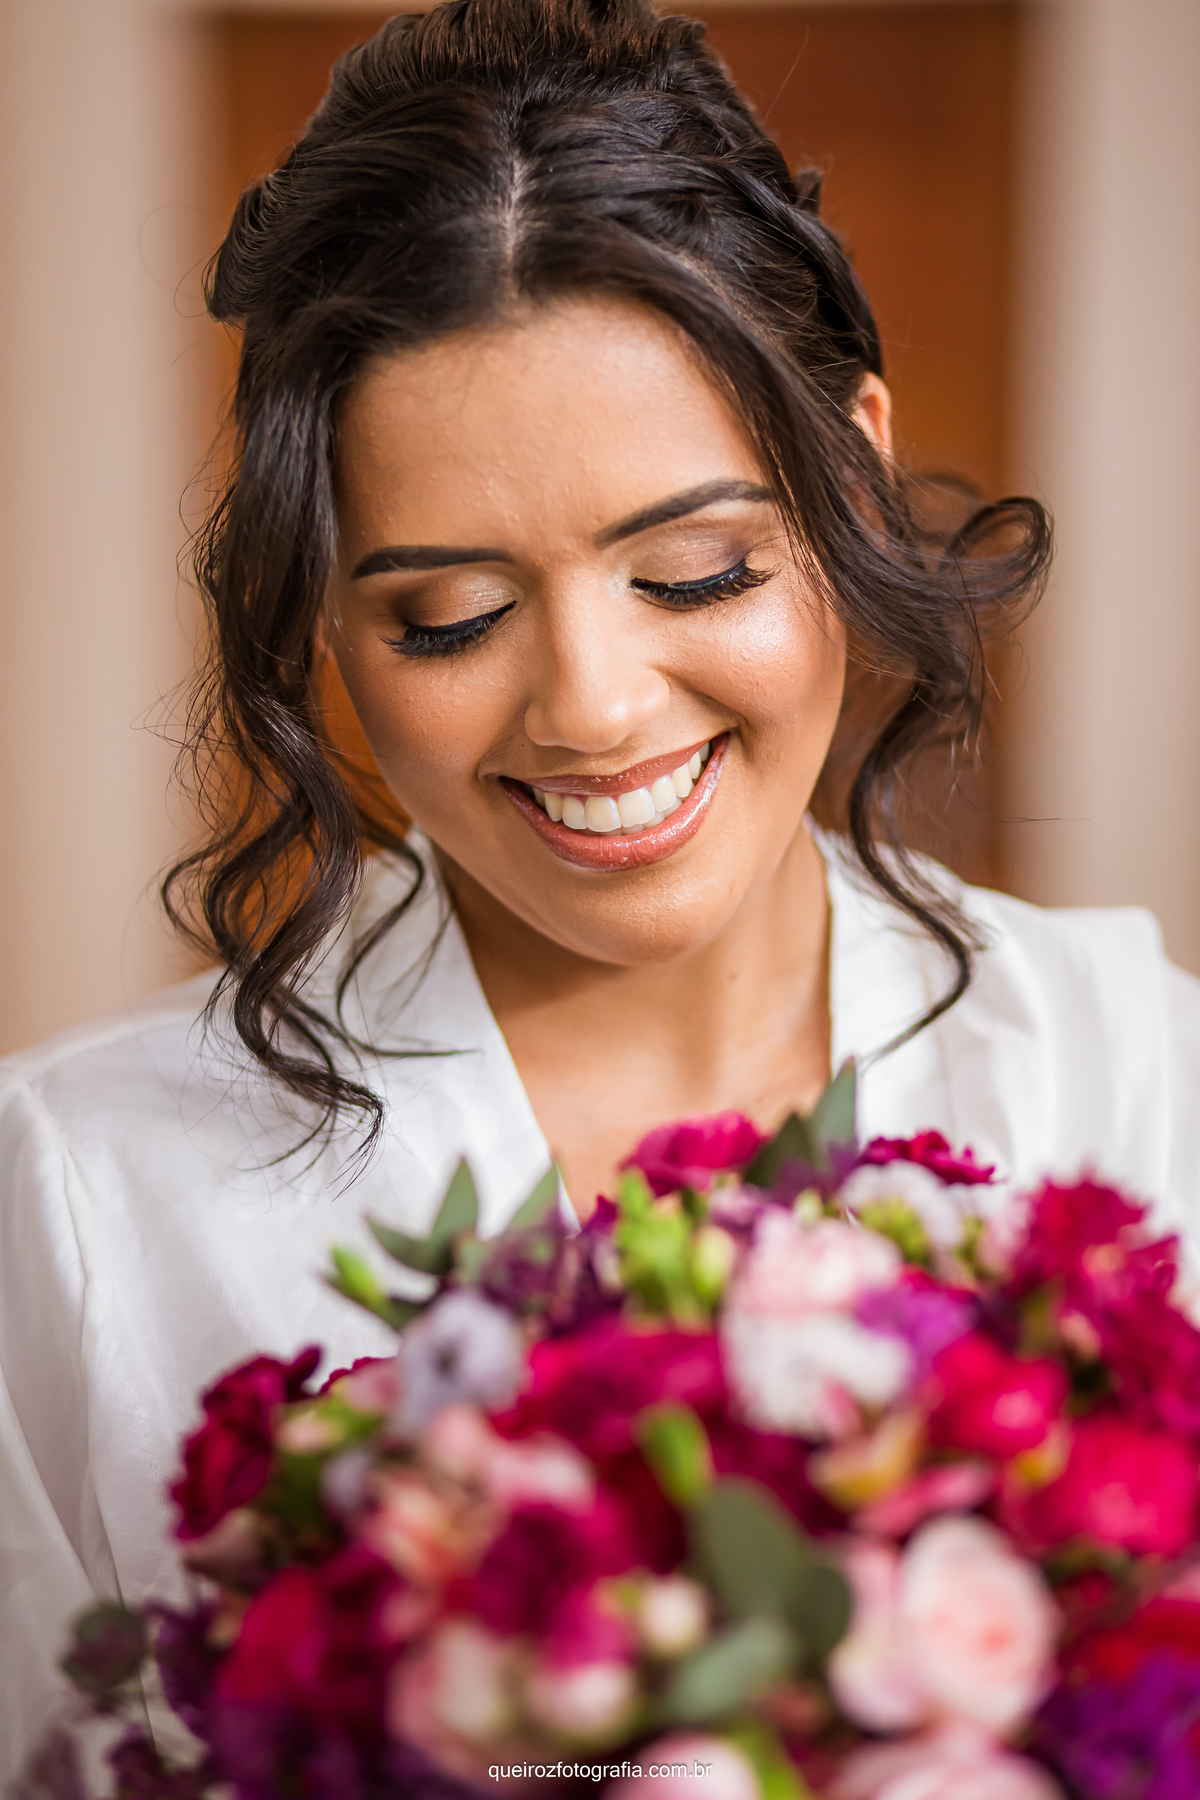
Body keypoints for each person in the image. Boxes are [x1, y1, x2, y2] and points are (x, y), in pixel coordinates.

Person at [1, 0, 1198, 1769]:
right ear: (327, 610)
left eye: (698, 570)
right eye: (451, 617)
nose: (592, 710)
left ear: (853, 463)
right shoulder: (80, 1198)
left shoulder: (1142, 1080)